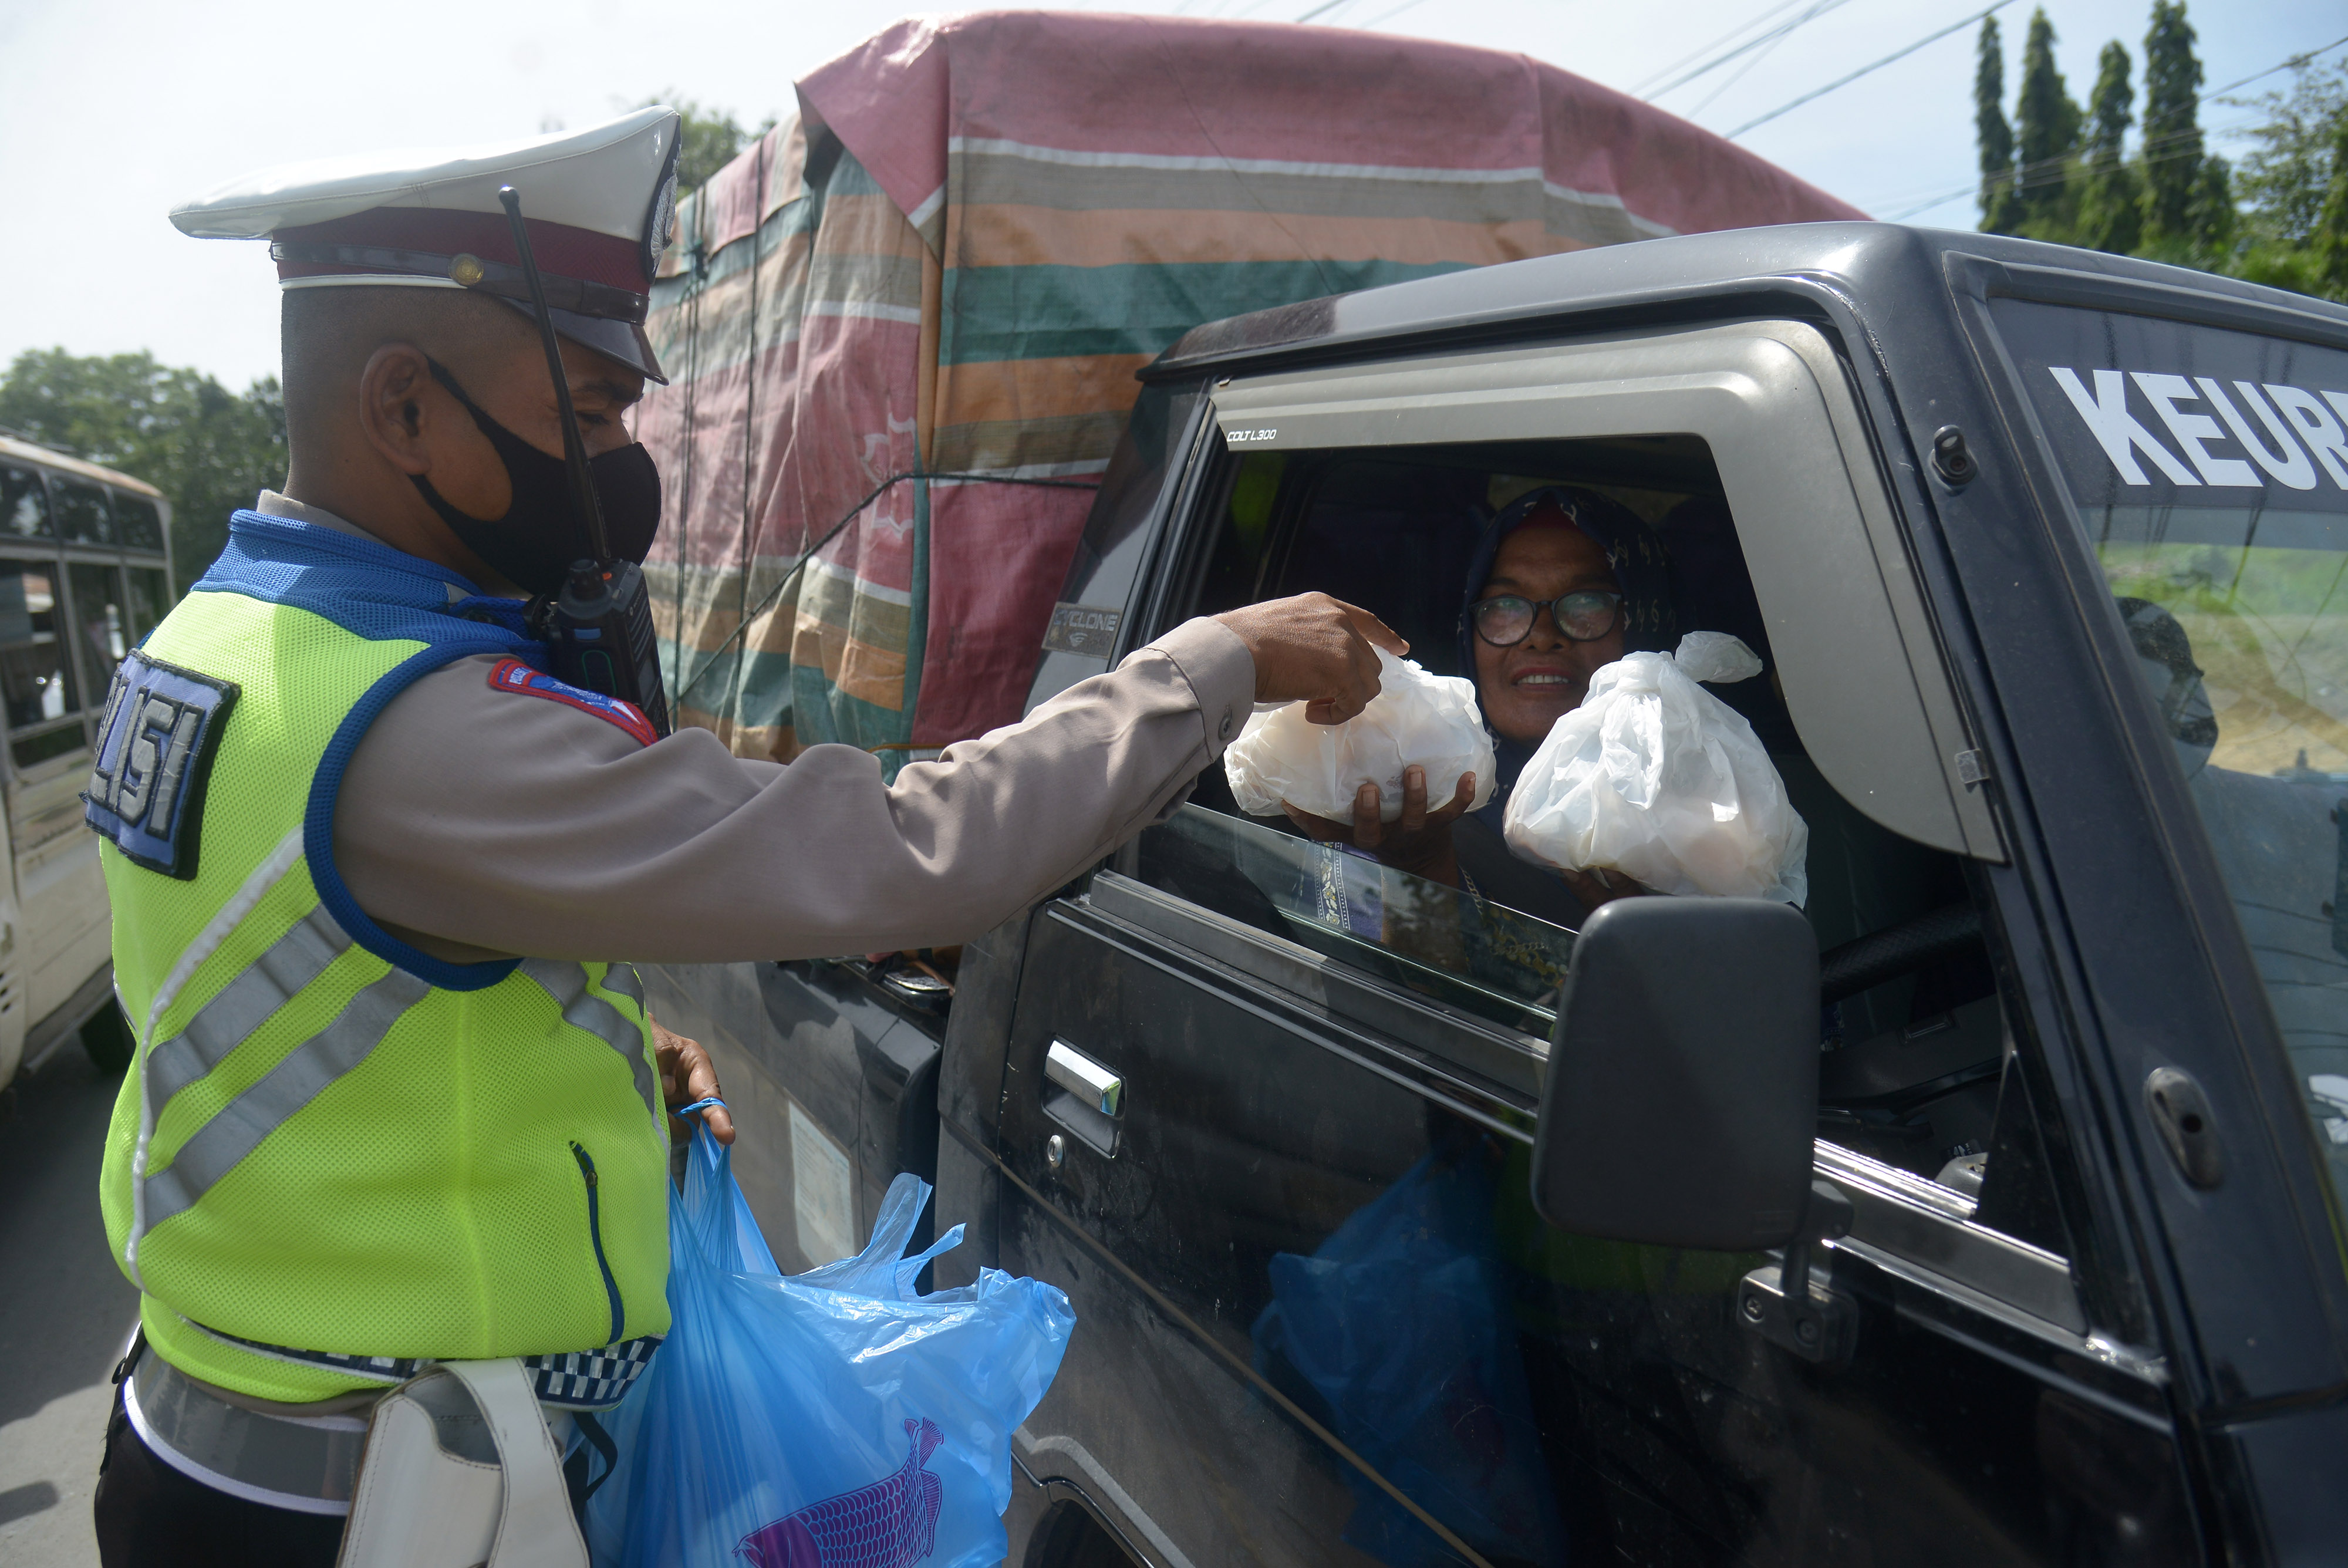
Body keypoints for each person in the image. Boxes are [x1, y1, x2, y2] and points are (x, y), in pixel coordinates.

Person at [89, 109, 1399, 1566]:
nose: (619, 461)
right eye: (586, 415)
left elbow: (318, 976)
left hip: (219, 1421)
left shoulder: (223, 639)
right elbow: (914, 850)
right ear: (403, 408)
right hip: (386, 1504)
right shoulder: (425, 730)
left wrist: (572, 1061)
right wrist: (1212, 660)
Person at [1281, 485, 1677, 926]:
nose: (1542, 634)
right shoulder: (1398, 805)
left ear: (1645, 621)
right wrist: (1420, 870)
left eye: (1587, 602)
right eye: (1506, 605)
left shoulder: (1722, 814)